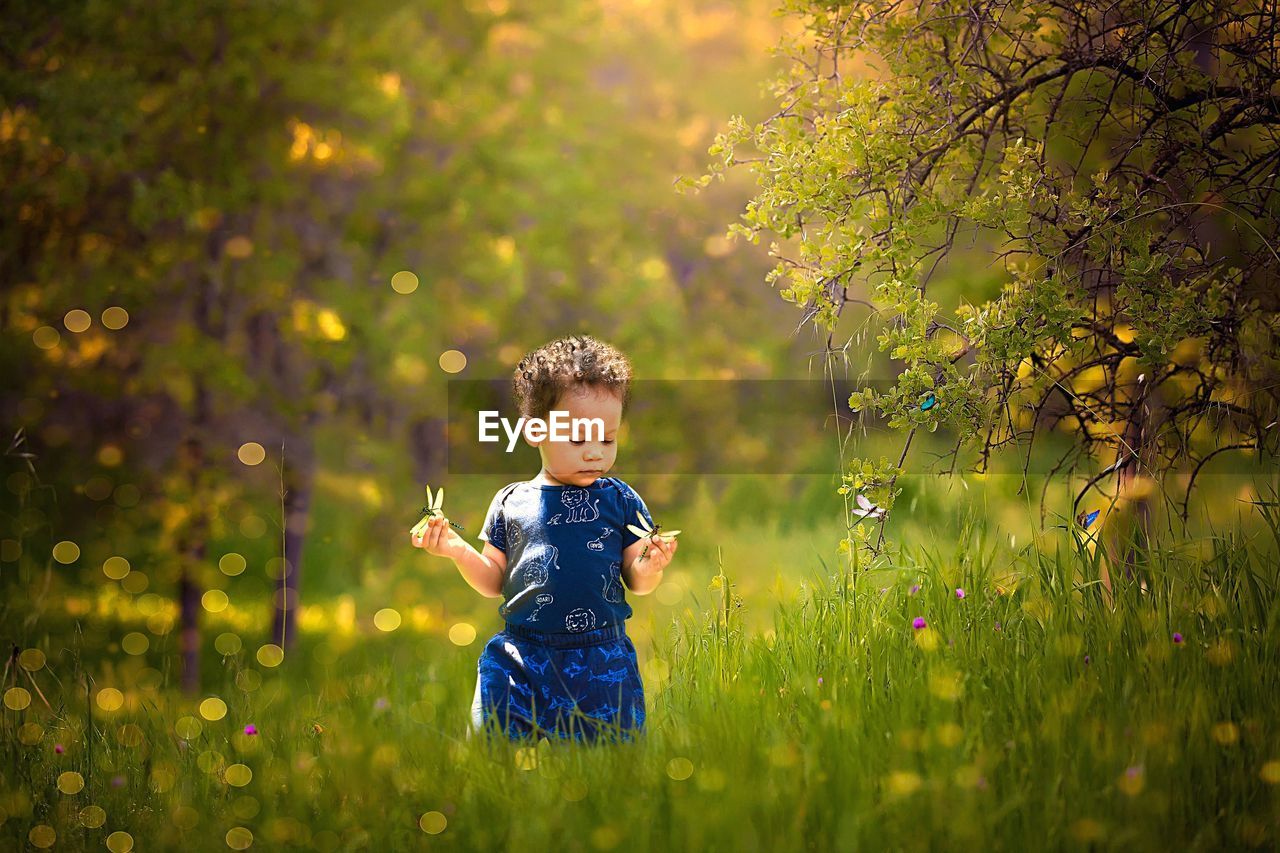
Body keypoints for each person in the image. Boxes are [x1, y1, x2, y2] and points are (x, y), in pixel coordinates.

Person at [409, 335, 677, 743]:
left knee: (608, 764)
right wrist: (455, 549)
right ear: (534, 431)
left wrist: (649, 565)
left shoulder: (620, 499)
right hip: (521, 656)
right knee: (493, 747)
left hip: (601, 660)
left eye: (607, 439)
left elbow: (637, 581)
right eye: (577, 439)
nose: (595, 453)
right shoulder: (511, 502)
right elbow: (493, 582)